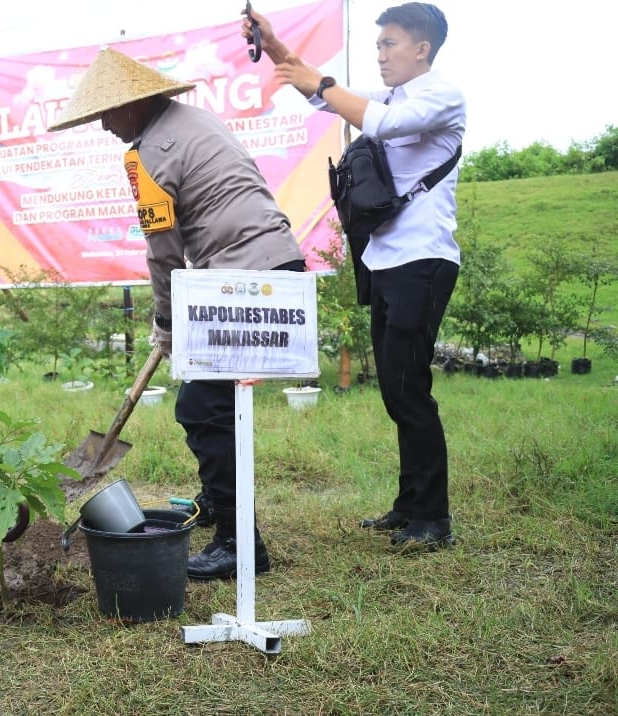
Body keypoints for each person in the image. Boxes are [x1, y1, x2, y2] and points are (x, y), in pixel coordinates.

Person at [48, 48, 306, 580]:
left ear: (133, 104)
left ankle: (239, 543)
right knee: (215, 400)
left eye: (107, 113)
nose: (104, 126)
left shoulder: (147, 154)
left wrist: (167, 326)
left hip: (242, 279)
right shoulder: (196, 122)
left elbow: (163, 252)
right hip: (278, 264)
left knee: (202, 407)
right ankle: (217, 501)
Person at [245, 2, 464, 549]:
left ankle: (433, 519)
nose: (381, 55)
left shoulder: (441, 96)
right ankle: (408, 505)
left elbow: (374, 120)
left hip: (423, 261)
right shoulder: (393, 95)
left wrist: (321, 83)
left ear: (422, 49)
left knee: (409, 388)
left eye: (390, 44)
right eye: (378, 45)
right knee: (394, 388)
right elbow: (325, 95)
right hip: (384, 261)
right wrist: (274, 45)